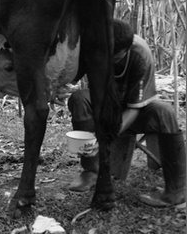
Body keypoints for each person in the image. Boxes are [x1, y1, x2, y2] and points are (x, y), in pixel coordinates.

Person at [67, 18, 185, 207]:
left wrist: (107, 136)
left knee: (165, 113)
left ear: (126, 50)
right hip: (104, 104)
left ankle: (175, 192)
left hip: (135, 108)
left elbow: (133, 109)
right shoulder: (94, 45)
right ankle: (90, 170)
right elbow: (71, 78)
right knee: (79, 99)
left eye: (114, 57)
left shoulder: (140, 54)